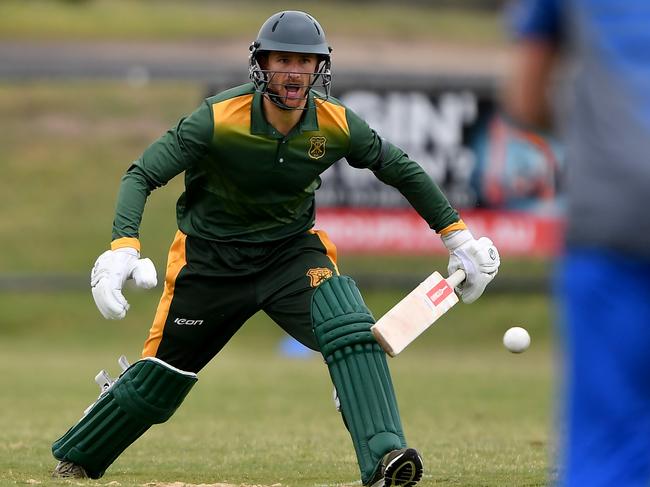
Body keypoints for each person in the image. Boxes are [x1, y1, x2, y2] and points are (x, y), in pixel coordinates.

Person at [51, 10, 500, 487]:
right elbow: (141, 173)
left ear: (319, 69)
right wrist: (122, 246)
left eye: (304, 63)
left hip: (291, 255)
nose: (293, 72)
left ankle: (387, 460)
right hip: (210, 262)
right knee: (159, 382)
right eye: (282, 60)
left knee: (352, 334)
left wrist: (457, 238)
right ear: (261, 65)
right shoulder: (217, 118)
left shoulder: (335, 122)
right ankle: (80, 451)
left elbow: (401, 169)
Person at [504, 1, 650, 485]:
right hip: (614, 223)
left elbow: (526, 97)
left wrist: (598, 143)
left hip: (614, 218)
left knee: (606, 451)